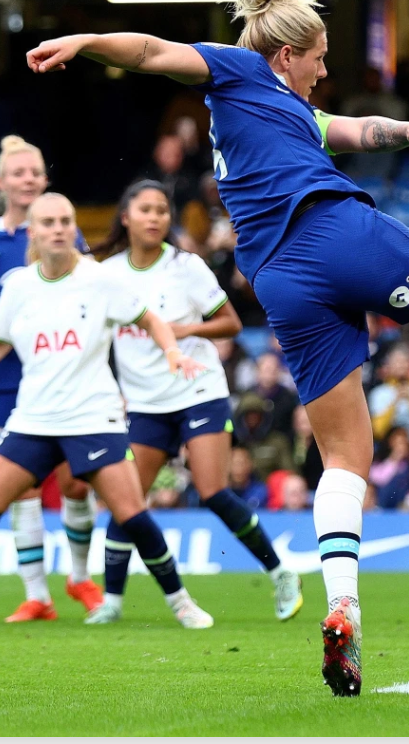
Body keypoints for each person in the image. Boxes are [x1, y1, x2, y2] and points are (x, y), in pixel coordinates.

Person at [27, 0, 409, 697]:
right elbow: (153, 52)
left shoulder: (266, 107)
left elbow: (345, 131)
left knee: (344, 455)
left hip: (281, 281)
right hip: (329, 231)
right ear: (286, 56)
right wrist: (88, 38)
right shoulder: (240, 68)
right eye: (317, 57)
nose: (324, 68)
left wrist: (402, 130)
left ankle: (342, 606)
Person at [0, 194, 214, 630]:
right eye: (48, 222)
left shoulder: (99, 279)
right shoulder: (19, 285)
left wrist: (172, 351)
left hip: (91, 417)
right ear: (34, 232)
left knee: (132, 515)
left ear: (74, 227)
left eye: (66, 220)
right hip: (34, 418)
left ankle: (181, 602)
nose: (59, 228)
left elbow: (150, 319)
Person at [91, 180, 303, 624]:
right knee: (127, 501)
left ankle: (282, 573)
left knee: (213, 492)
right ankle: (110, 601)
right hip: (146, 404)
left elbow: (228, 323)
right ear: (126, 217)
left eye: (162, 211)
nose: (155, 218)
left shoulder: (185, 267)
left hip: (199, 391)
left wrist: (183, 331)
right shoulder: (105, 274)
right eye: (145, 209)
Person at [0, 135, 104, 622]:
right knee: (21, 490)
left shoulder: (64, 237)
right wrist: (3, 334)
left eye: (35, 173)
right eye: (18, 173)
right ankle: (37, 594)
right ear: (1, 182)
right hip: (8, 383)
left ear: (45, 179)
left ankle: (79, 576)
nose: (27, 180)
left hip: (70, 379)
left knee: (77, 483)